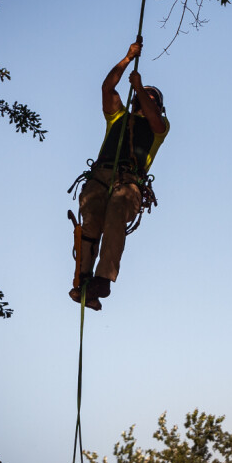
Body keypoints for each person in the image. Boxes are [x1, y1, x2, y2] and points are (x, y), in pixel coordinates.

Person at [70, 38, 169, 310]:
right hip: (100, 176)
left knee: (115, 217)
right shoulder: (117, 116)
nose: (144, 98)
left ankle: (103, 279)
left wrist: (139, 87)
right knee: (91, 223)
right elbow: (107, 88)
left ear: (158, 105)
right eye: (142, 95)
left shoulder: (159, 127)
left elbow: (154, 118)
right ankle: (84, 280)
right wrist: (127, 59)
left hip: (128, 183)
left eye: (151, 97)